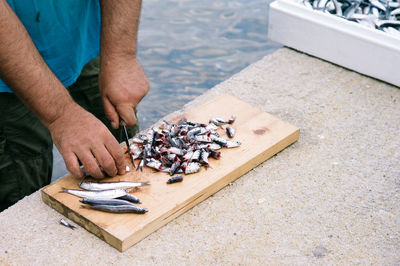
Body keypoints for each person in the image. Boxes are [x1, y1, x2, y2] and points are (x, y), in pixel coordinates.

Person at [0, 0, 149, 211]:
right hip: (4, 74)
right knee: (19, 202)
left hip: (84, 43)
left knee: (121, 149)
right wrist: (62, 116)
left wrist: (121, 55)